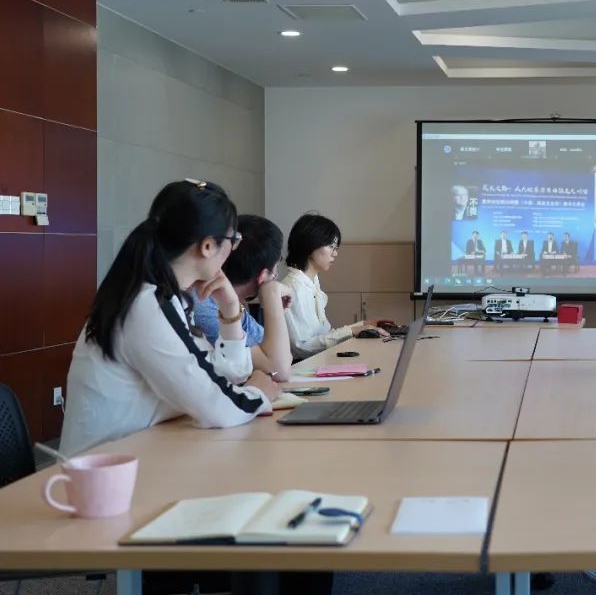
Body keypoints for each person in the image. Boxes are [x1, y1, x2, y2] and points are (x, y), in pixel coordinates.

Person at [59, 180, 277, 457]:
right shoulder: (147, 306)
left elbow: (223, 375)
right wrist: (258, 393)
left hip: (138, 454)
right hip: (106, 471)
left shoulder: (165, 298)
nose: (232, 250)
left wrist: (230, 308)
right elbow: (217, 407)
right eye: (233, 240)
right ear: (207, 246)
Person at [191, 215, 293, 382]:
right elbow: (278, 370)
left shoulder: (230, 303)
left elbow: (284, 357)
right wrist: (272, 293)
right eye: (277, 263)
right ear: (263, 275)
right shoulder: (204, 304)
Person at [281, 214, 386, 360]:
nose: (335, 253)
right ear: (310, 245)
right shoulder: (293, 287)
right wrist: (353, 331)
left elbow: (324, 336)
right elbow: (302, 347)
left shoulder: (311, 282)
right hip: (302, 365)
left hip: (318, 361)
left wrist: (364, 324)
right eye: (331, 247)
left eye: (336, 248)